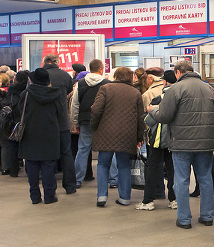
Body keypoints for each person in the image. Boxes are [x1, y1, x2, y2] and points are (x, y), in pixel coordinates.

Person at [150, 60, 214, 229]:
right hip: (205, 142)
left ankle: (184, 219)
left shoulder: (176, 89)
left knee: (181, 180)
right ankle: (207, 216)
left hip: (181, 142)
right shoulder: (209, 88)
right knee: (205, 179)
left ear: (178, 73)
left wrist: (152, 109)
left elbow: (164, 115)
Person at [91, 66, 145, 207]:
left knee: (103, 164)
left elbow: (96, 110)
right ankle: (124, 197)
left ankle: (102, 196)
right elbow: (140, 117)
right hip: (127, 135)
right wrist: (139, 137)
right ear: (130, 77)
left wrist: (94, 127)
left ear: (115, 76)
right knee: (124, 166)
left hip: (105, 133)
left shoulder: (105, 89)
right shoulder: (135, 93)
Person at [18, 68, 68, 205]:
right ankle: (50, 195)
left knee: (32, 165)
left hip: (30, 133)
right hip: (50, 133)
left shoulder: (27, 93)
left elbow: (20, 111)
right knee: (49, 165)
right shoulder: (56, 94)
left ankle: (34, 196)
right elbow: (61, 112)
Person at [138, 70, 179, 211]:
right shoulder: (180, 97)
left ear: (165, 82)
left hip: (157, 140)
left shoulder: (158, 99)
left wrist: (150, 111)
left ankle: (148, 201)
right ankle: (174, 199)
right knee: (173, 169)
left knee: (153, 169)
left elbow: (148, 120)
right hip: (175, 140)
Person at [70, 59, 109, 188]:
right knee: (108, 149)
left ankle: (77, 179)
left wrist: (75, 122)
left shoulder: (80, 84)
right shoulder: (107, 84)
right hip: (103, 121)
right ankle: (113, 179)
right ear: (101, 69)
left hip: (86, 120)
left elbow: (75, 104)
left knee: (83, 149)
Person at [42, 54, 76, 194]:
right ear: (57, 62)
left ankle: (49, 189)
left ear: (45, 62)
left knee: (47, 155)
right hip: (62, 120)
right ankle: (70, 186)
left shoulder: (37, 76)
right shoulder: (65, 76)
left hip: (44, 121)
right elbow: (68, 92)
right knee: (66, 153)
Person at [2, 70, 28, 177]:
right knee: (28, 145)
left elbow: (6, 104)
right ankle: (28, 170)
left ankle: (13, 170)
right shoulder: (28, 91)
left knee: (13, 145)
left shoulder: (11, 92)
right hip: (26, 121)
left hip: (13, 122)